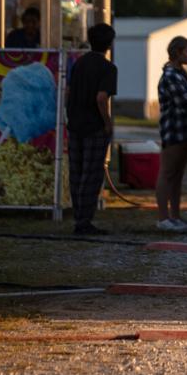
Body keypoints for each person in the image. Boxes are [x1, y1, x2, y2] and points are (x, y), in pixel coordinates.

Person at [65, 23, 116, 235]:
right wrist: (107, 122)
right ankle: (85, 220)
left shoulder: (78, 63)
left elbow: (67, 92)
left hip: (75, 123)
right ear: (109, 43)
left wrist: (70, 114)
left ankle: (78, 217)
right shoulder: (108, 68)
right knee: (91, 173)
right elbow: (101, 97)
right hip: (94, 126)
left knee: (76, 172)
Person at [156, 36, 187, 232]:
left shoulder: (181, 74)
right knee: (167, 172)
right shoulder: (171, 75)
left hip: (184, 131)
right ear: (177, 52)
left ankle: (175, 215)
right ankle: (164, 217)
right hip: (174, 130)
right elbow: (184, 104)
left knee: (177, 174)